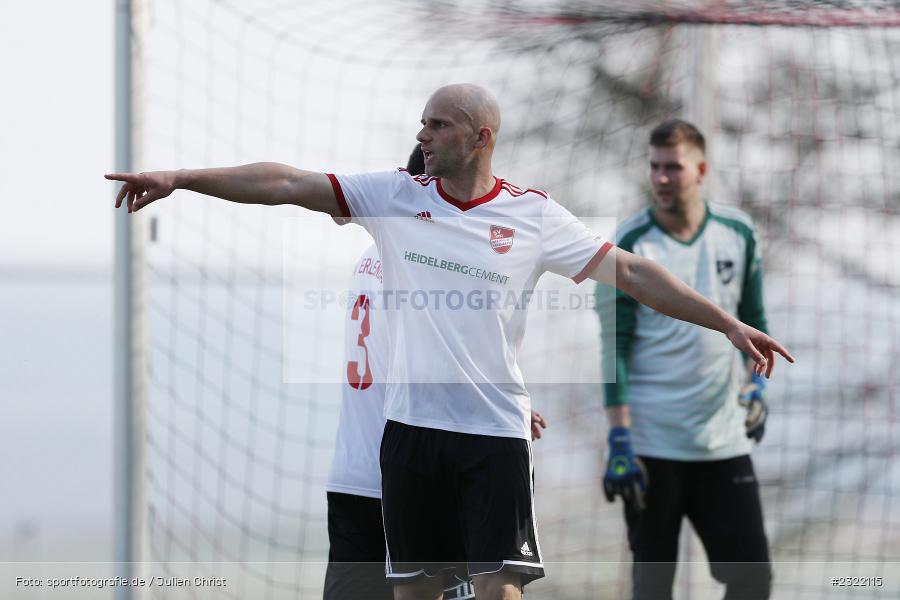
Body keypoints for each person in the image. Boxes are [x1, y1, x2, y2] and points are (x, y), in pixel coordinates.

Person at [107, 83, 792, 600]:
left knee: (499, 590)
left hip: (493, 436)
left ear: (480, 136)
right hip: (408, 437)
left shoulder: (533, 215)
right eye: (424, 123)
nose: (423, 134)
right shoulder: (396, 197)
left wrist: (727, 323)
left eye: (438, 124)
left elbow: (637, 272)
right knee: (415, 594)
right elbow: (288, 181)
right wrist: (181, 179)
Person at [325, 145, 547, 600]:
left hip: (353, 474)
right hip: (418, 475)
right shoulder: (417, 264)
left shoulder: (367, 258)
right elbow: (437, 359)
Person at [596, 119, 775, 600]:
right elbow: (614, 348)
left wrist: (756, 385)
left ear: (701, 169)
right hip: (652, 446)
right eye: (654, 167)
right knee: (652, 588)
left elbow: (753, 318)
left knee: (753, 578)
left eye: (672, 167)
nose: (660, 178)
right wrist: (618, 436)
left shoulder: (738, 232)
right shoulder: (629, 241)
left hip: (723, 442)